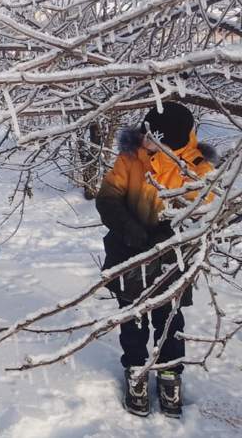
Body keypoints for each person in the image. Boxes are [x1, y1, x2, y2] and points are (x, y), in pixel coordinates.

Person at [96, 102, 215, 418]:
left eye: (156, 138)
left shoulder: (197, 167)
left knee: (169, 318)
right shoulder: (130, 158)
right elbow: (107, 197)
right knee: (132, 316)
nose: (148, 142)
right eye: (147, 135)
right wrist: (128, 226)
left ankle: (168, 373)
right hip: (128, 252)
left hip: (172, 257)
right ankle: (136, 369)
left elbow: (204, 209)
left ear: (175, 139)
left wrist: (169, 233)